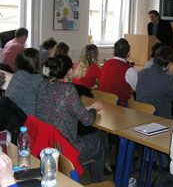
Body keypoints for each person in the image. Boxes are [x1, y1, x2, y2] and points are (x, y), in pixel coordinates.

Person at [35, 55, 108, 183]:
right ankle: (99, 182)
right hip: (65, 149)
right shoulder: (68, 89)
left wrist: (85, 110)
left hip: (46, 144)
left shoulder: (43, 85)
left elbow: (61, 109)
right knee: (101, 138)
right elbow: (88, 120)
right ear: (69, 71)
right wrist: (93, 110)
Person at [137, 46, 173, 120]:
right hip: (161, 120)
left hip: (141, 117)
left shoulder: (141, 73)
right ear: (169, 63)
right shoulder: (167, 79)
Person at [99, 38, 137, 106]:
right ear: (128, 53)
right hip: (120, 108)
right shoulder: (129, 70)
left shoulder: (106, 64)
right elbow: (138, 88)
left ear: (114, 51)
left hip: (103, 105)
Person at [5, 48, 42, 116]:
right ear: (36, 64)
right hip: (26, 119)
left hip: (11, 115)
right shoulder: (36, 80)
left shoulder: (17, 75)